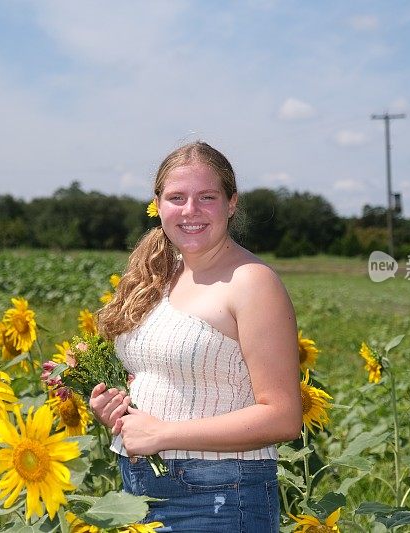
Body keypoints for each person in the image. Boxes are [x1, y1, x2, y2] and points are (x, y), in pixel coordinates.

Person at [91, 141, 302, 532]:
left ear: (231, 203)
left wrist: (163, 434)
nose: (190, 211)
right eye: (177, 197)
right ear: (157, 204)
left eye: (207, 197)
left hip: (218, 496)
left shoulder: (252, 283)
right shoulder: (159, 276)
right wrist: (116, 412)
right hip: (137, 490)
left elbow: (283, 416)